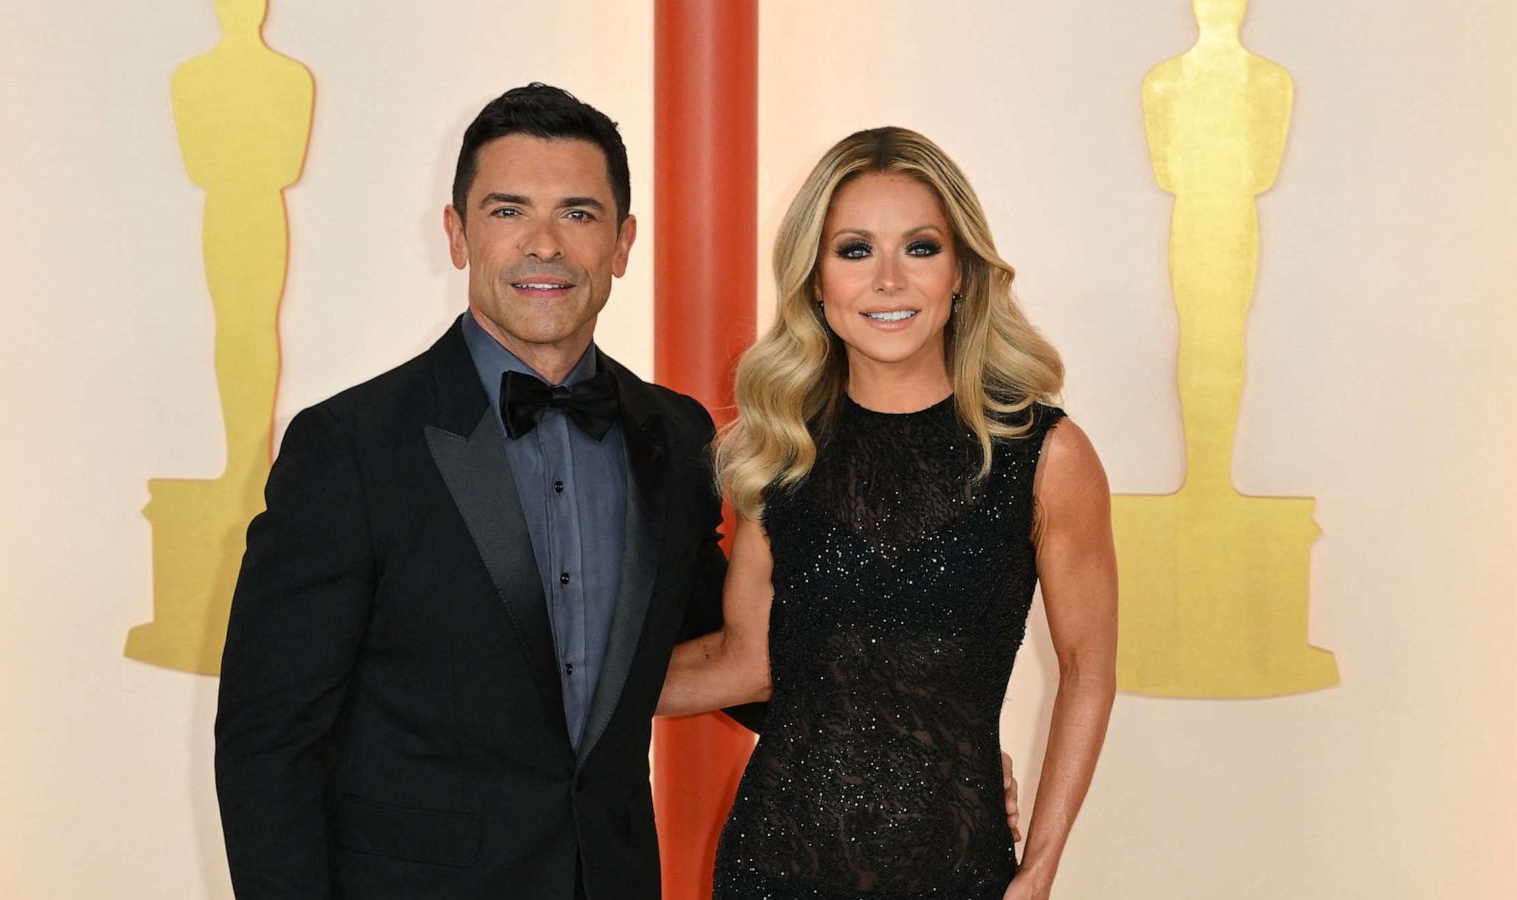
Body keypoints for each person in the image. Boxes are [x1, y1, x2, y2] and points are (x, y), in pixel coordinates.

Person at [213, 84, 1023, 899]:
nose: (544, 245)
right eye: (506, 212)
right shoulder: (350, 447)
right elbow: (268, 741)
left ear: (623, 242)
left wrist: (919, 758)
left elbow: (749, 644)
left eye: (578, 214)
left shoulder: (673, 436)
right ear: (457, 234)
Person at [657, 127, 1119, 900]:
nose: (889, 281)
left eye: (921, 248)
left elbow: (1088, 671)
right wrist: (566, 694)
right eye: (855, 251)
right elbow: (747, 659)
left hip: (957, 870)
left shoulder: (1047, 457)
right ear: (815, 282)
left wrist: (1039, 869)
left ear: (962, 271)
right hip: (774, 866)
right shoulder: (781, 452)